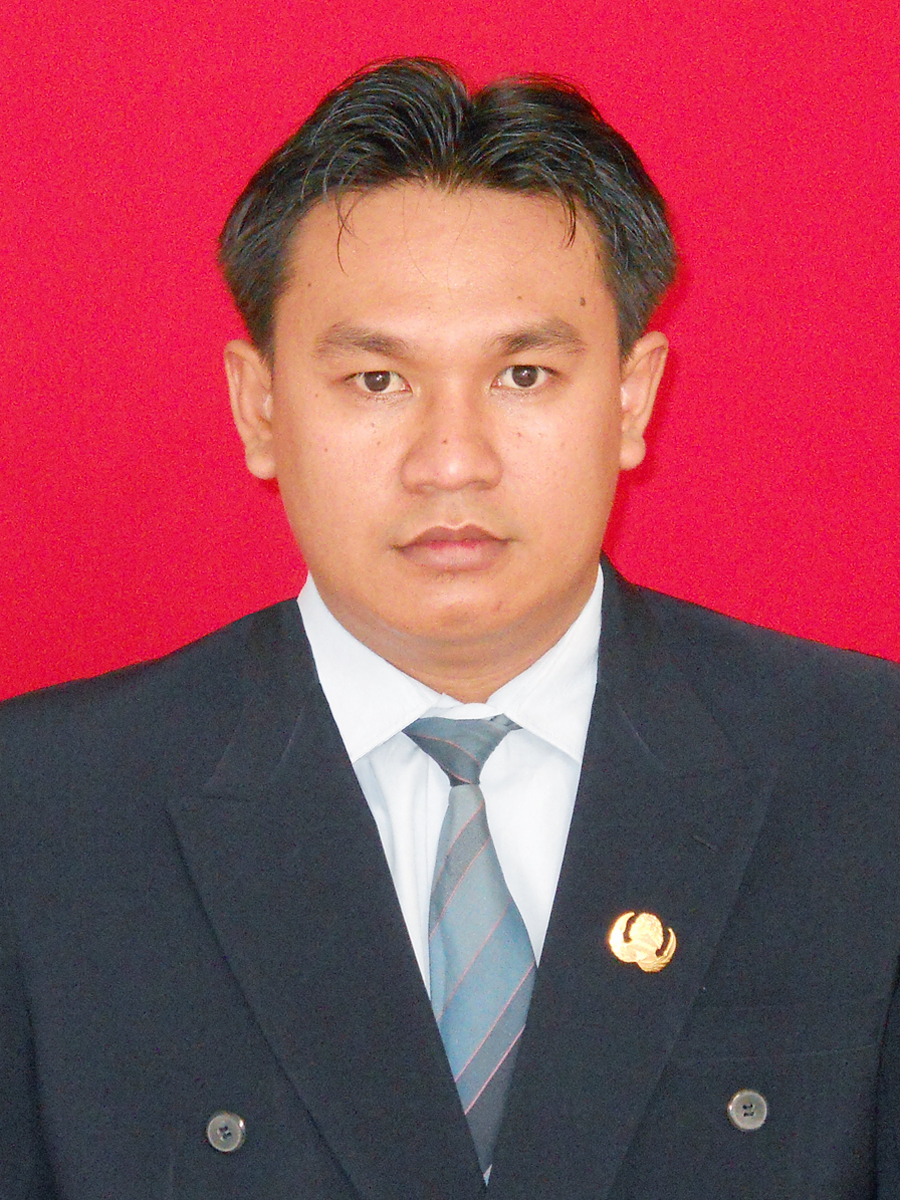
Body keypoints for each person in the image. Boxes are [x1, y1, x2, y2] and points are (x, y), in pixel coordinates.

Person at [1, 57, 899, 1200]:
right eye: (377, 381)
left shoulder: (866, 775)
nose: (452, 461)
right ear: (259, 407)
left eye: (523, 374)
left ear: (631, 399)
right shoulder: (41, 814)